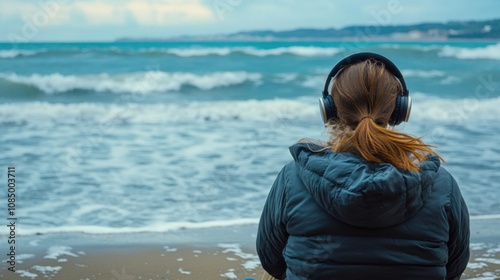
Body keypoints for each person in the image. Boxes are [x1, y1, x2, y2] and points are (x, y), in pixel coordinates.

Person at [256, 52, 470, 280]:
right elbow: (454, 267)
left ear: (329, 110)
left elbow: (271, 260)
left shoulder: (292, 177)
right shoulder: (441, 183)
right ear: (399, 110)